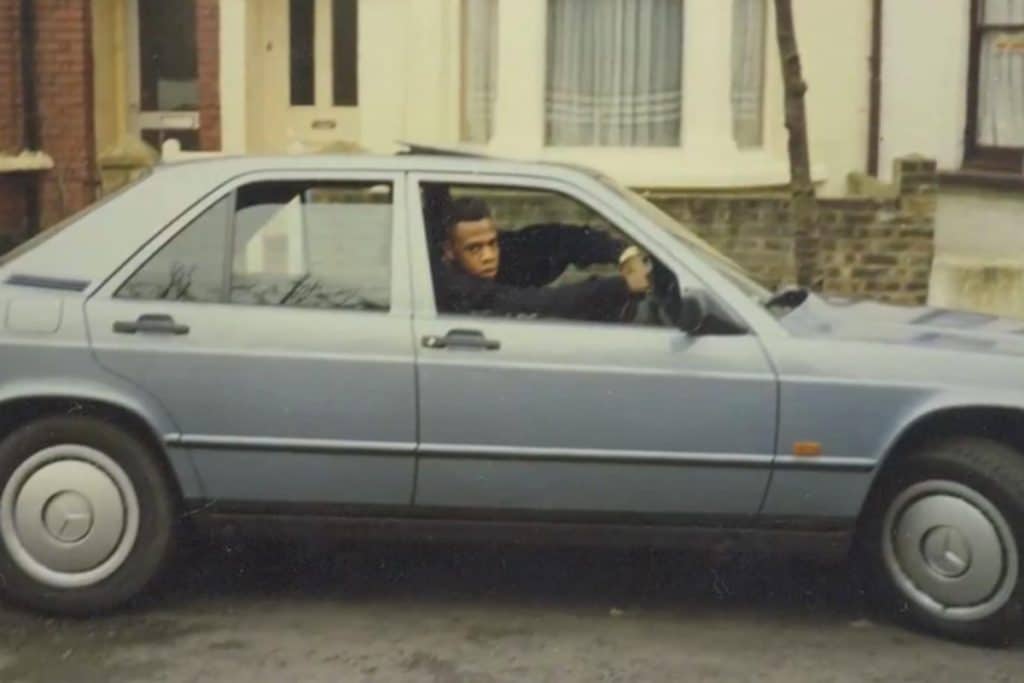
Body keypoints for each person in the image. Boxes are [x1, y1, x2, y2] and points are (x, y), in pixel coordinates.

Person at [434, 197, 651, 321]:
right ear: (449, 251)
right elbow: (537, 302)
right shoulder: (453, 284)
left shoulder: (495, 250)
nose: (489, 256)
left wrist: (624, 255)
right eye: (474, 249)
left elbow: (557, 239)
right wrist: (621, 286)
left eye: (492, 243)